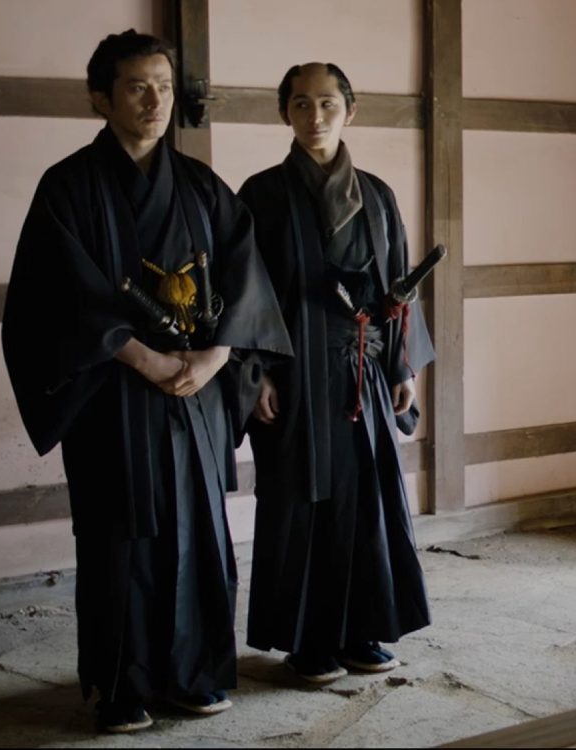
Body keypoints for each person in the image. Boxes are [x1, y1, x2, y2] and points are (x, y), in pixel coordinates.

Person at [1, 30, 291, 733]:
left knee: (198, 531)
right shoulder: (67, 188)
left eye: (162, 86)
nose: (154, 100)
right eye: (136, 87)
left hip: (197, 389)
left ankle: (193, 674)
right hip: (112, 392)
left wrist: (215, 358)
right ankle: (120, 685)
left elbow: (246, 278)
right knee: (118, 537)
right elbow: (55, 297)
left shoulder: (200, 186)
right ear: (101, 98)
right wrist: (140, 357)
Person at [238, 62, 434, 684]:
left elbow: (399, 285)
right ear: (285, 113)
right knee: (300, 504)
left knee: (365, 502)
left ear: (351, 109)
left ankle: (361, 631)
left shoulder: (376, 195)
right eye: (301, 103)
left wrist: (401, 364)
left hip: (362, 375)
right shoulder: (261, 194)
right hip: (294, 377)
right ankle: (308, 642)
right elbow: (244, 294)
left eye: (327, 103)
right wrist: (256, 375)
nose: (315, 115)